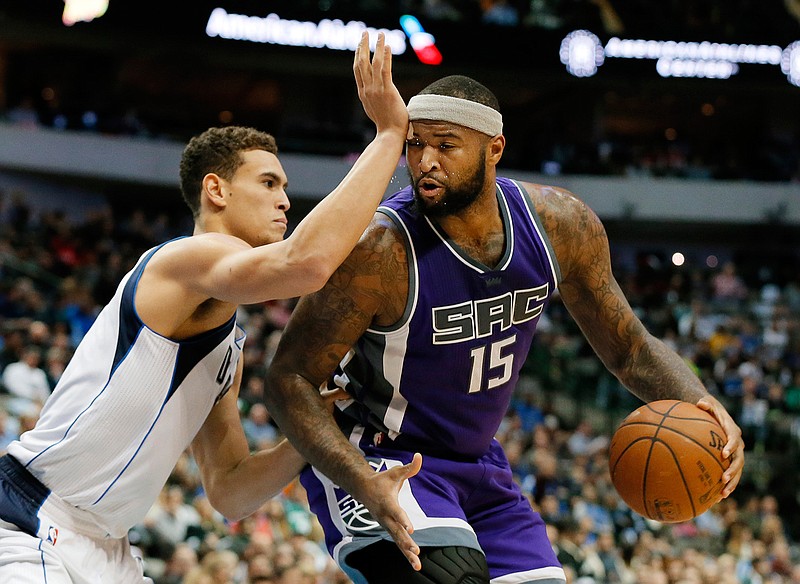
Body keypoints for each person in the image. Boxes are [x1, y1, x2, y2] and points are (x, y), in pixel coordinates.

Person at [264, 74, 746, 583]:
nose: (425, 161)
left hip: (480, 463)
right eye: (415, 144)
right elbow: (286, 378)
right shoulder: (377, 252)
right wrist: (358, 478)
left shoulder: (561, 225)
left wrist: (703, 404)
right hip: (381, 455)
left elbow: (630, 351)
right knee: (447, 576)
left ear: (494, 148)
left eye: (446, 146)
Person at [0, 32, 420, 583]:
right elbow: (307, 264)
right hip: (33, 519)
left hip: (108, 550)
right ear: (216, 191)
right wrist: (390, 134)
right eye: (268, 182)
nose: (285, 200)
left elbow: (231, 491)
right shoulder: (184, 261)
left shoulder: (227, 342)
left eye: (285, 186)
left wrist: (321, 425)